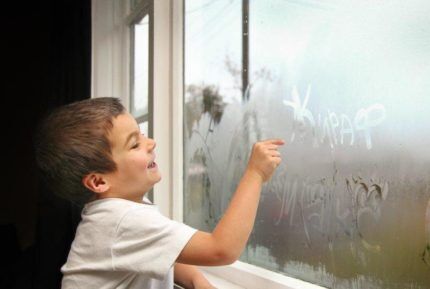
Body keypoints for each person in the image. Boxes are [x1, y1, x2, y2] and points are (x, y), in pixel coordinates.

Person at [34, 97, 285, 289]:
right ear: (98, 181)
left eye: (141, 134)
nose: (151, 142)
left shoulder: (119, 209)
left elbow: (163, 251)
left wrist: (197, 280)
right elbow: (222, 250)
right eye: (134, 144)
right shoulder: (121, 219)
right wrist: (255, 174)